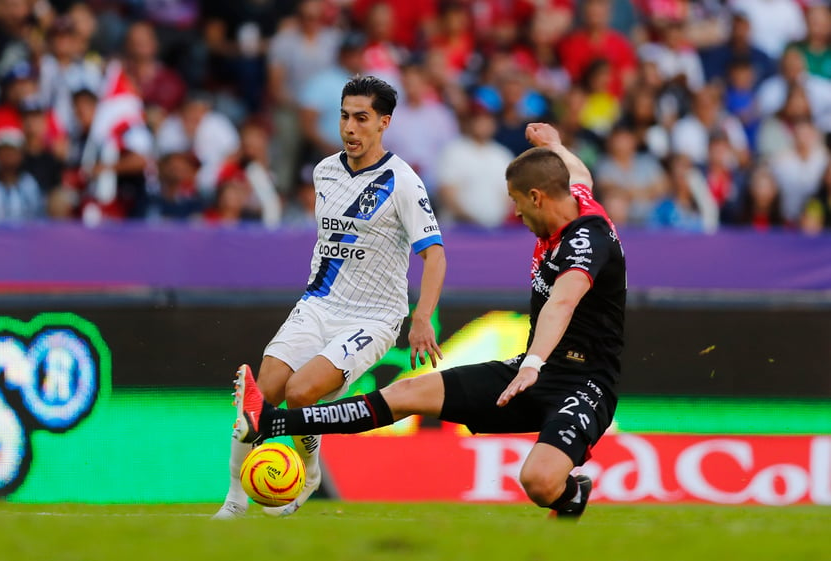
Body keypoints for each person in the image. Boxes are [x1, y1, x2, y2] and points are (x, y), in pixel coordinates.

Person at [232, 122, 626, 519]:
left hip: (584, 381)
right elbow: (579, 172)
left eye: (517, 200)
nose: (515, 210)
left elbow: (561, 304)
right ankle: (271, 421)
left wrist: (532, 363)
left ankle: (570, 495)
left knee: (539, 483)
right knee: (406, 394)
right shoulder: (573, 196)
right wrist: (555, 145)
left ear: (538, 197)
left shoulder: (586, 242)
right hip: (533, 369)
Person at [213, 75, 447, 519]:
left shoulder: (403, 182)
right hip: (319, 303)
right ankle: (234, 501)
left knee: (301, 393)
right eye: (344, 117)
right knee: (262, 394)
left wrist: (422, 317)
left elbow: (434, 255)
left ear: (383, 123)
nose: (350, 128)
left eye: (362, 119)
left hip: (374, 317)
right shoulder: (323, 172)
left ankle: (310, 471)